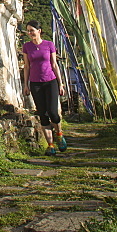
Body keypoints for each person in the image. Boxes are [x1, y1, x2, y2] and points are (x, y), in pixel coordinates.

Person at [22, 20, 67, 156]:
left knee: (53, 112)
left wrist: (60, 83)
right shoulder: (27, 47)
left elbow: (54, 65)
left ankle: (59, 134)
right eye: (28, 31)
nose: (30, 33)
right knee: (43, 114)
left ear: (39, 31)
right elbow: (27, 66)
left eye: (32, 30)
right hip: (35, 83)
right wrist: (26, 84)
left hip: (50, 81)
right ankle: (50, 145)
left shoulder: (49, 45)